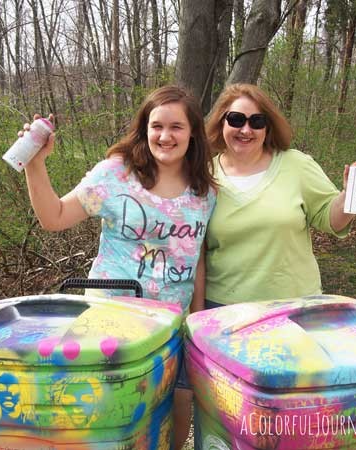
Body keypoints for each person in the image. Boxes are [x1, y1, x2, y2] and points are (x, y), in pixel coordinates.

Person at [21, 85, 217, 449]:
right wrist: (36, 164)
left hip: (172, 325)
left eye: (176, 127)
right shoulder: (116, 175)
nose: (165, 135)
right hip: (111, 322)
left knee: (177, 406)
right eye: (156, 126)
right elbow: (54, 216)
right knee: (114, 414)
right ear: (144, 129)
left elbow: (196, 256)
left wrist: (198, 318)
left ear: (192, 132)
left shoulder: (204, 191)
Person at [202, 83, 356, 309]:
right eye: (236, 119)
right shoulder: (204, 176)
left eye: (257, 121)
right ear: (220, 122)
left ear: (268, 127)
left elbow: (330, 219)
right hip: (224, 310)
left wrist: (349, 195)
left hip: (295, 307)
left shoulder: (297, 165)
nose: (246, 130)